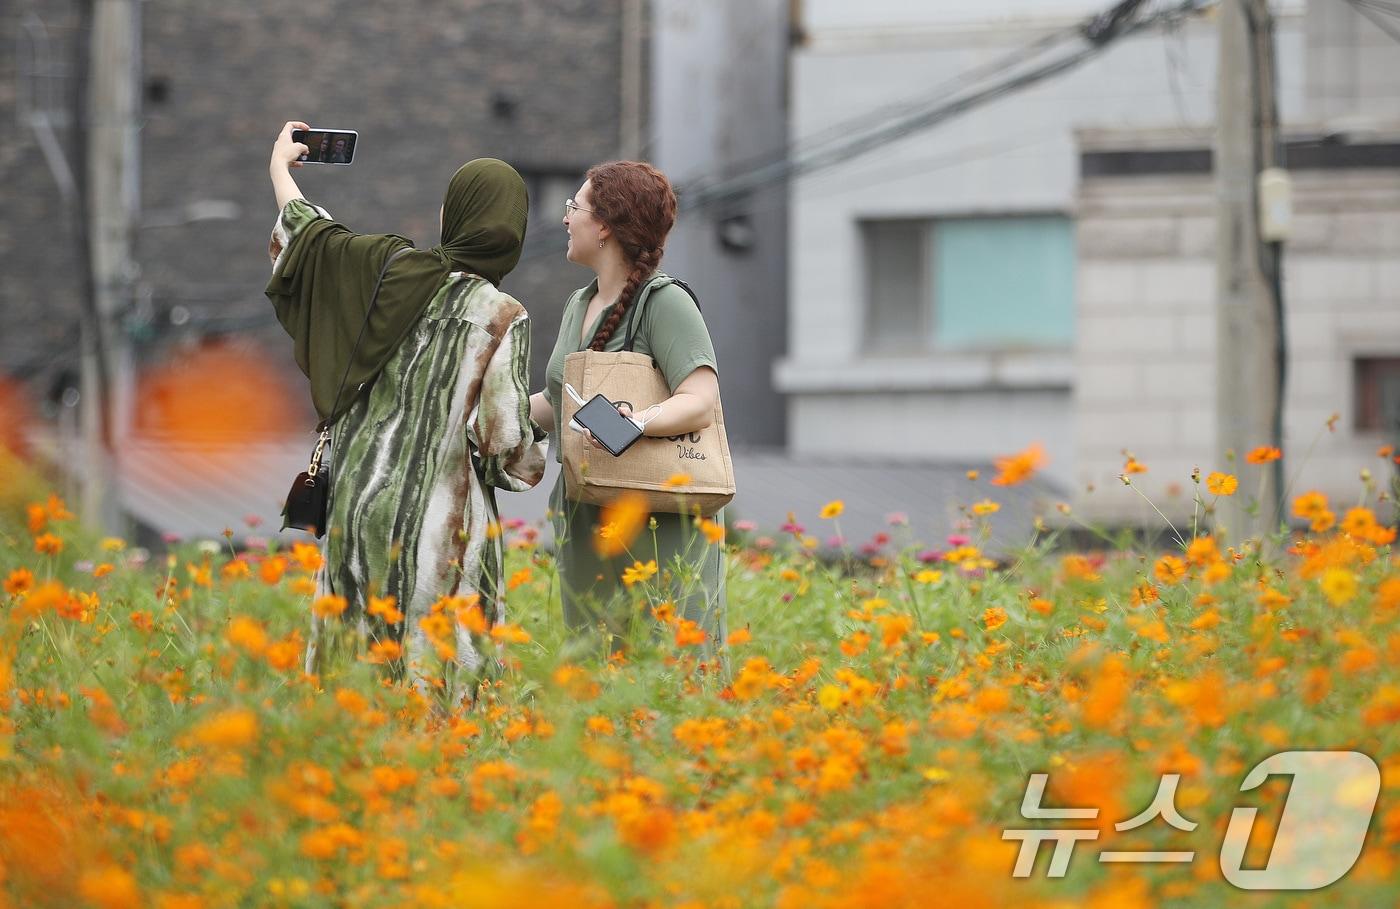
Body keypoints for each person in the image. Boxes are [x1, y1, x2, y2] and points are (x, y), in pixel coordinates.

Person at [265, 120, 546, 704]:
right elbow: (508, 452)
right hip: (435, 537)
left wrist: (280, 170)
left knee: (350, 682)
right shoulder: (501, 316)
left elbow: (313, 239)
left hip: (356, 513)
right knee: (432, 692)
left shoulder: (387, 276)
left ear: (451, 217)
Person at [529, 161, 727, 655]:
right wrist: (477, 416)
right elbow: (560, 402)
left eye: (574, 207)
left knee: (664, 664)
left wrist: (630, 425)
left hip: (655, 519)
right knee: (595, 668)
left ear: (603, 226)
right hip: (586, 511)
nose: (565, 217)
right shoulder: (580, 303)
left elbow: (700, 402)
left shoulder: (664, 302)